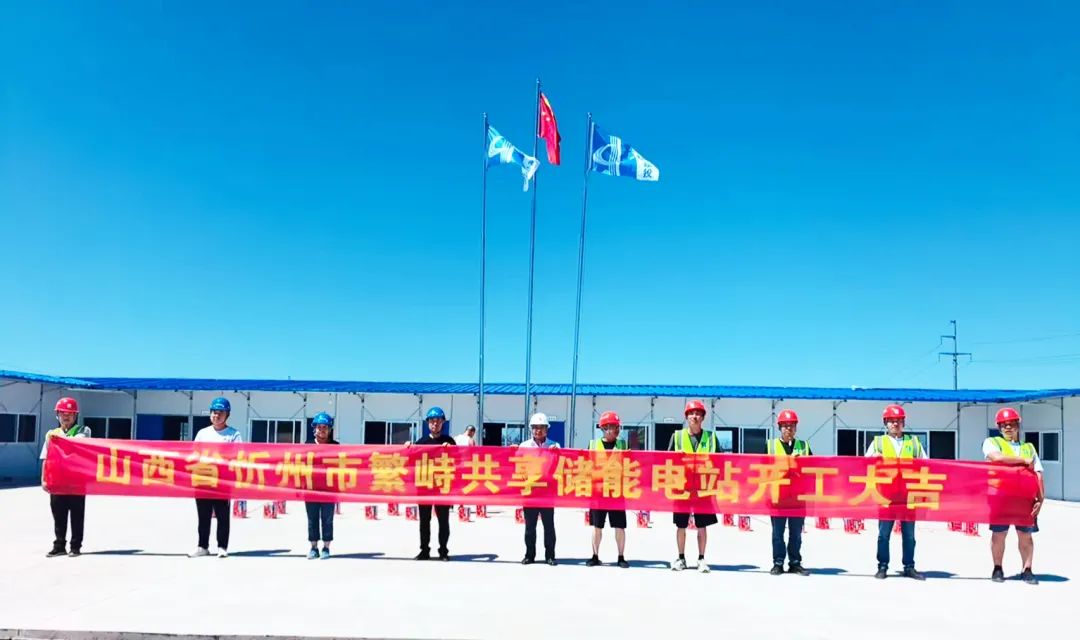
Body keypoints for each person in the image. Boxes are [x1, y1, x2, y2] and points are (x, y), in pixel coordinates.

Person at [865, 404, 926, 580]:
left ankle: (909, 566)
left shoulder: (914, 442)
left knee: (909, 535)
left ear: (903, 423)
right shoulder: (878, 442)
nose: (895, 424)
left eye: (898, 420)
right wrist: (874, 460)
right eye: (891, 421)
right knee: (884, 534)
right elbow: (865, 463)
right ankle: (882, 566)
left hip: (908, 495)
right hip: (886, 494)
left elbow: (926, 464)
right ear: (885, 423)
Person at [983, 407, 1043, 585]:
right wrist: (1023, 461)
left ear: (1018, 425)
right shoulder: (992, 442)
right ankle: (997, 568)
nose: (1008, 428)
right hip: (1000, 497)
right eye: (1004, 425)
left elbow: (1038, 473)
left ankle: (1027, 569)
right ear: (999, 427)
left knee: (1025, 535)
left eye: (1011, 424)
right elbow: (997, 458)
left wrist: (1041, 499)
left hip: (1025, 499)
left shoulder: (1029, 447)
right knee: (999, 534)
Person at [667, 400, 718, 573]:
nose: (694, 416)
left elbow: (720, 462)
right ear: (686, 417)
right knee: (681, 525)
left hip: (703, 488)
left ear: (703, 417)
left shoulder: (711, 437)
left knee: (702, 525)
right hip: (682, 488)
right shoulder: (677, 437)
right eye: (691, 413)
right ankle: (681, 558)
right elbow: (666, 461)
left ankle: (701, 559)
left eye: (698, 414)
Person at [190, 397, 243, 558]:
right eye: (214, 412)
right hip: (203, 479)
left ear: (227, 415)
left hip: (222, 481)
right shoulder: (202, 433)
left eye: (220, 413)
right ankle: (202, 546)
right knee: (203, 516)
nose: (216, 416)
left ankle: (222, 547)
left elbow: (238, 456)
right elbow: (194, 454)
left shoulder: (233, 434)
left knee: (222, 516)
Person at [40, 397, 91, 557]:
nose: (66, 416)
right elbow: (45, 457)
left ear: (76, 415)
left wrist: (59, 440)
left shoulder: (84, 430)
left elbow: (77, 443)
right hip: (57, 481)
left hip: (77, 481)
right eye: (62, 413)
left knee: (77, 515)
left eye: (70, 413)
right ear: (57, 415)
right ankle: (59, 545)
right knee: (59, 515)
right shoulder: (51, 434)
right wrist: (44, 479)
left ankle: (75, 546)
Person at [766, 409, 812, 576]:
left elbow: (812, 468)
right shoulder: (770, 446)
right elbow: (764, 469)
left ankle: (795, 562)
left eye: (792, 425)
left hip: (797, 497)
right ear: (779, 427)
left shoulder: (804, 446)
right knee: (777, 533)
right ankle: (778, 562)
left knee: (796, 533)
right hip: (778, 496)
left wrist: (800, 462)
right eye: (785, 425)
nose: (789, 428)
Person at [407, 407, 456, 561]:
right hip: (424, 487)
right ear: (428, 423)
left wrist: (451, 450)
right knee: (424, 521)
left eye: (438, 421)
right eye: (432, 421)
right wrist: (407, 447)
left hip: (442, 486)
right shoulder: (421, 442)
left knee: (443, 521)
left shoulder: (449, 441)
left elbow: (459, 461)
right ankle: (424, 550)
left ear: (443, 423)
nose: (435, 424)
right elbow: (410, 462)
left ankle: (443, 551)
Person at [587, 410, 629, 568]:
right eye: (612, 427)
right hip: (598, 492)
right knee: (597, 526)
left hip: (617, 492)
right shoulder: (593, 445)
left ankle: (621, 556)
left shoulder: (623, 445)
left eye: (617, 427)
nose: (616, 430)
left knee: (620, 526)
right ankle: (595, 555)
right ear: (604, 428)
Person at [518, 412, 559, 566]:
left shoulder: (554, 446)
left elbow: (561, 465)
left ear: (547, 429)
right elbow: (517, 466)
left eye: (542, 427)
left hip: (547, 493)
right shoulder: (524, 446)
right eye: (535, 427)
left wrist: (557, 453)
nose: (538, 430)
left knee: (549, 527)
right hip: (530, 492)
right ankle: (529, 555)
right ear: (531, 429)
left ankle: (550, 556)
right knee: (530, 527)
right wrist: (512, 452)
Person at [306, 412, 339, 560]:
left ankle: (326, 547)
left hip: (329, 489)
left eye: (325, 427)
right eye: (319, 427)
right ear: (314, 428)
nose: (322, 430)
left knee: (327, 519)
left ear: (330, 429)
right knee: (312, 519)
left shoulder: (336, 446)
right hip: (310, 489)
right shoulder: (307, 445)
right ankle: (313, 548)